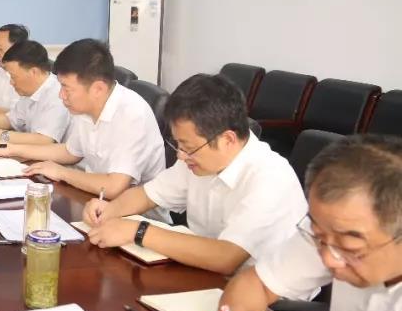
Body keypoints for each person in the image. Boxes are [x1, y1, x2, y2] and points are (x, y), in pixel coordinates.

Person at [194, 136, 402, 311]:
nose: (328, 259)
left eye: (351, 249)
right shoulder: (334, 231)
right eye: (318, 236)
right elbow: (257, 283)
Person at [81, 74, 307, 274]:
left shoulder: (270, 178)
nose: (180, 156)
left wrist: (139, 232)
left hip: (269, 298)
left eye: (188, 147)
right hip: (207, 276)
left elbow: (226, 257)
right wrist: (108, 211)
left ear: (227, 139)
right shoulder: (198, 159)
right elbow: (147, 195)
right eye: (178, 145)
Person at [0, 38, 164, 198]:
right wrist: (11, 149)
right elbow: (70, 152)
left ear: (98, 89)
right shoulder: (87, 106)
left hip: (137, 215)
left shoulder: (131, 113)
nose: (61, 95)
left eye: (66, 88)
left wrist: (62, 173)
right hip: (93, 197)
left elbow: (114, 186)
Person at [0, 40, 69, 146]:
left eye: (13, 76)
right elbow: (10, 119)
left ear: (33, 72)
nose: (11, 82)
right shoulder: (29, 91)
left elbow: (44, 140)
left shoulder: (57, 94)